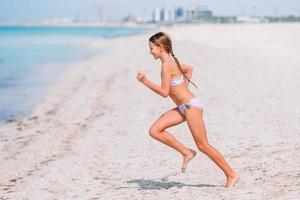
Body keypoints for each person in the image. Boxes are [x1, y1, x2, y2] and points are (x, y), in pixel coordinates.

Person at [136, 32, 240, 189]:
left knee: (203, 145)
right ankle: (186, 152)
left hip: (191, 107)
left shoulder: (166, 65)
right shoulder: (170, 62)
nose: (149, 51)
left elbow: (164, 93)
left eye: (151, 48)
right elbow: (189, 68)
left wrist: (145, 81)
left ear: (160, 47)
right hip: (183, 107)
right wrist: (182, 89)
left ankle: (232, 174)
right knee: (155, 130)